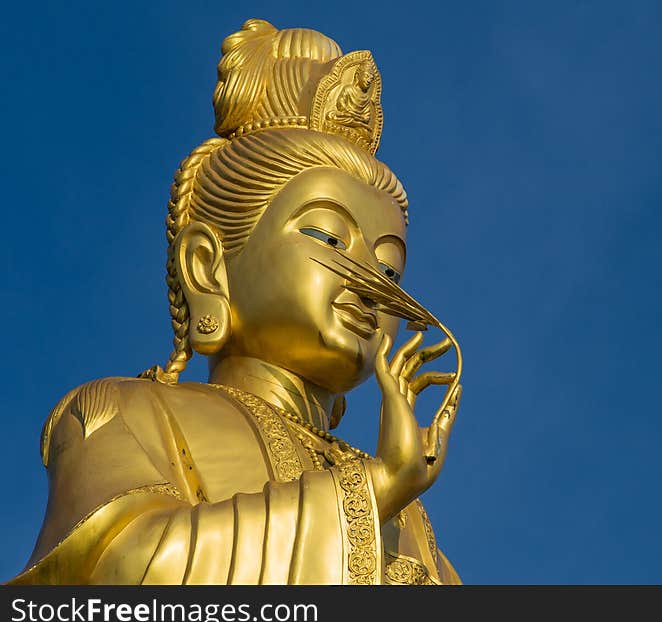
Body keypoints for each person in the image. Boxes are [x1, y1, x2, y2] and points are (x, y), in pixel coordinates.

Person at [10, 19, 462, 585]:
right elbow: (127, 569)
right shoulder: (124, 413)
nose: (370, 282)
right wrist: (372, 491)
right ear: (207, 267)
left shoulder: (412, 516)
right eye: (327, 238)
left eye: (390, 267)